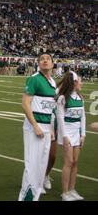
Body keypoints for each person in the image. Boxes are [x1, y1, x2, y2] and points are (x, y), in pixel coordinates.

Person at [18, 54, 56, 201]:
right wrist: (35, 126)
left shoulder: (52, 82)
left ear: (53, 64)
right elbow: (25, 104)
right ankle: (25, 198)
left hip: (46, 128)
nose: (45, 60)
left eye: (48, 59)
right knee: (32, 165)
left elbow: (51, 109)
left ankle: (35, 196)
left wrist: (51, 128)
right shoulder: (34, 78)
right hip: (35, 127)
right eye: (41, 59)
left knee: (41, 166)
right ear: (38, 64)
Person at [56, 71, 86, 201]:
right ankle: (65, 193)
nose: (82, 83)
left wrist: (83, 134)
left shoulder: (80, 98)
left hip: (77, 133)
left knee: (75, 162)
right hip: (67, 133)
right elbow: (60, 118)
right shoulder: (63, 98)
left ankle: (72, 190)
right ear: (74, 82)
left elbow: (83, 117)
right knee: (68, 162)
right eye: (80, 81)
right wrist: (65, 136)